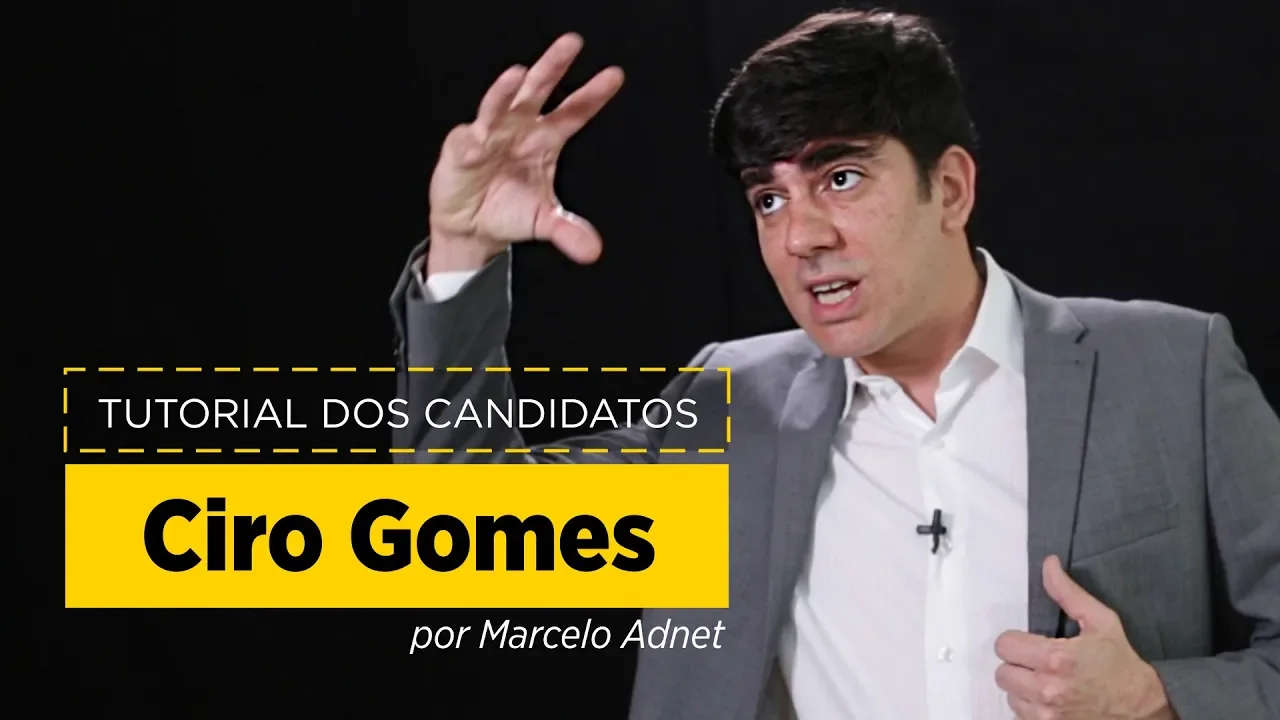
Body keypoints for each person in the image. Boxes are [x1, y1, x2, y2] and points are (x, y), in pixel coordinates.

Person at [388, 9, 1280, 720]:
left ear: (951, 188)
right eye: (768, 198)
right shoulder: (730, 403)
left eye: (840, 178)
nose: (800, 236)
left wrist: (1158, 696)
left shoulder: (1173, 368)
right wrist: (462, 243)